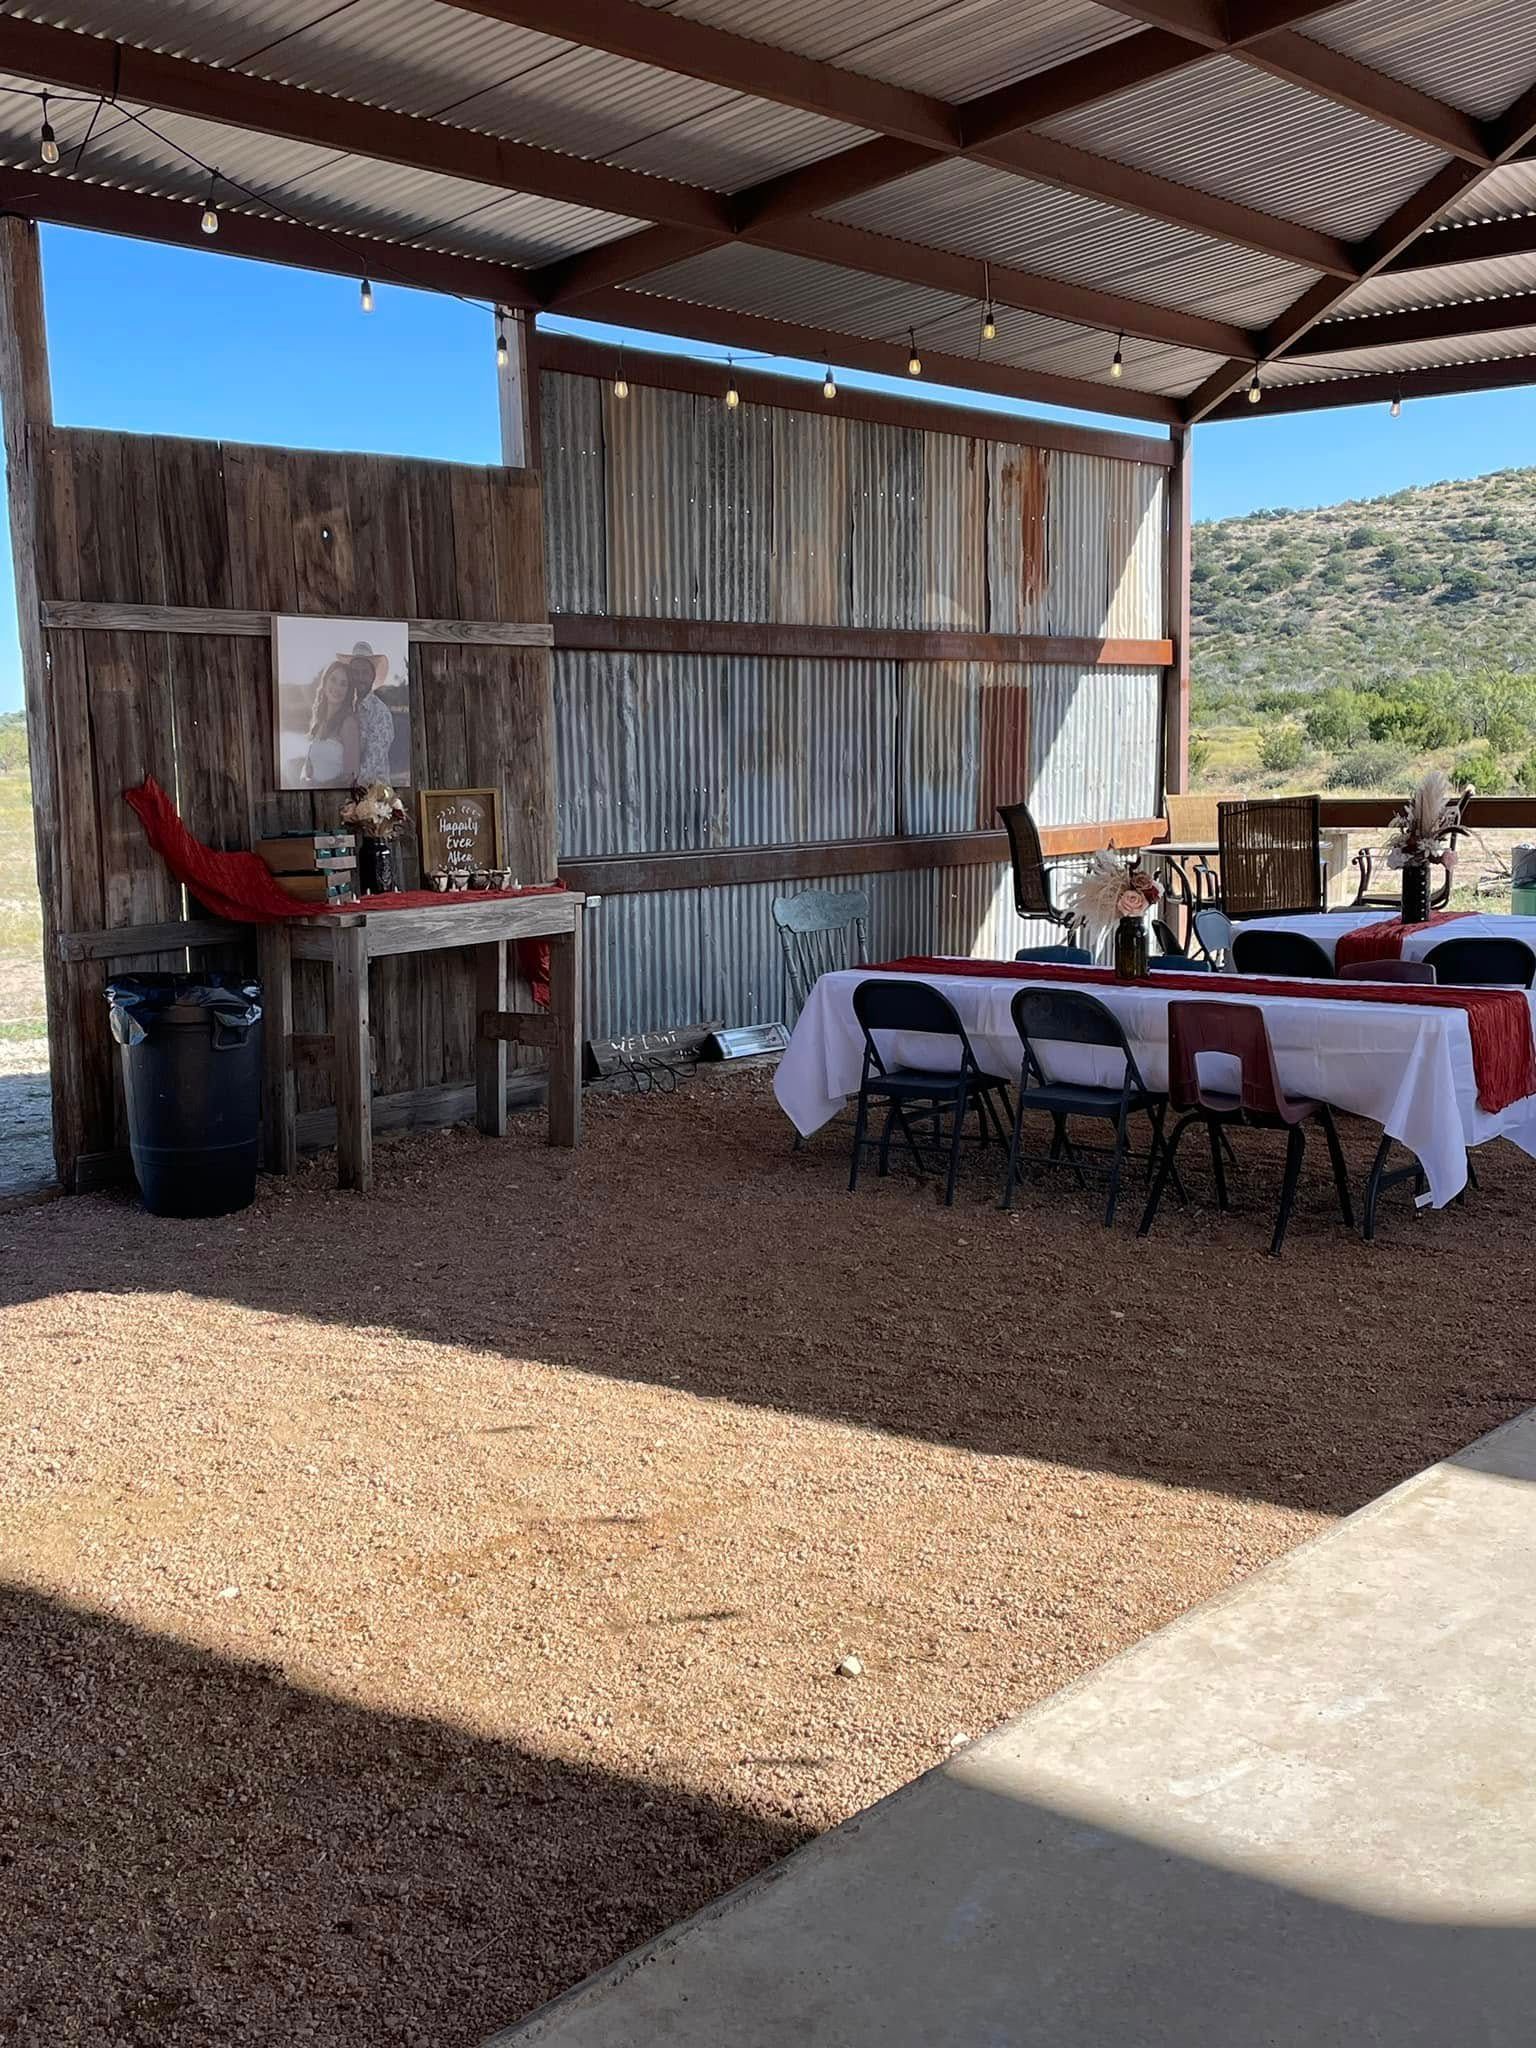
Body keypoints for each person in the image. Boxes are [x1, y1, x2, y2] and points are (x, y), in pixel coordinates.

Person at [301, 658, 362, 787]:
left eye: (343, 684)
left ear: (348, 691)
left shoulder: (348, 724)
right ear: (325, 682)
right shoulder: (319, 721)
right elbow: (310, 768)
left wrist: (319, 787)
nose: (337, 687)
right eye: (333, 680)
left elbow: (351, 776)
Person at [348, 642, 397, 783]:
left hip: (374, 794)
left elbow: (372, 761)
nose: (360, 677)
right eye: (355, 672)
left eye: (365, 672)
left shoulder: (380, 712)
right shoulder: (347, 707)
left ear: (373, 676)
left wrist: (344, 783)